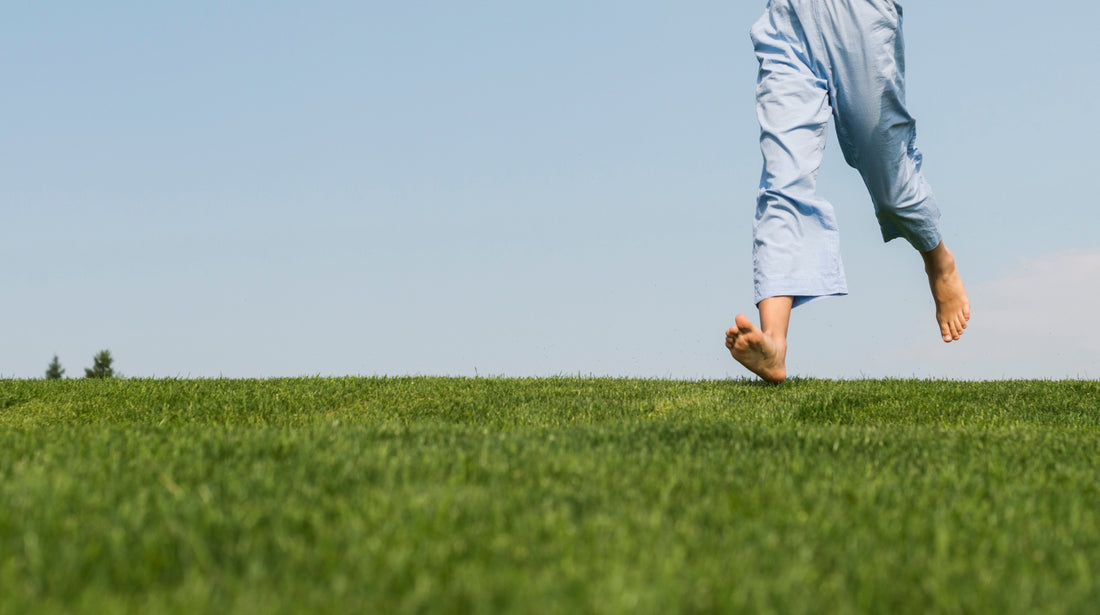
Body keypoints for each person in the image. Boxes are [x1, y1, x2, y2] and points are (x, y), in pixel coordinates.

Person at [726, 0, 970, 384]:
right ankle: (774, 343)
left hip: (861, 19)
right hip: (788, 22)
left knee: (890, 181)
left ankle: (938, 259)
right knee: (781, 182)